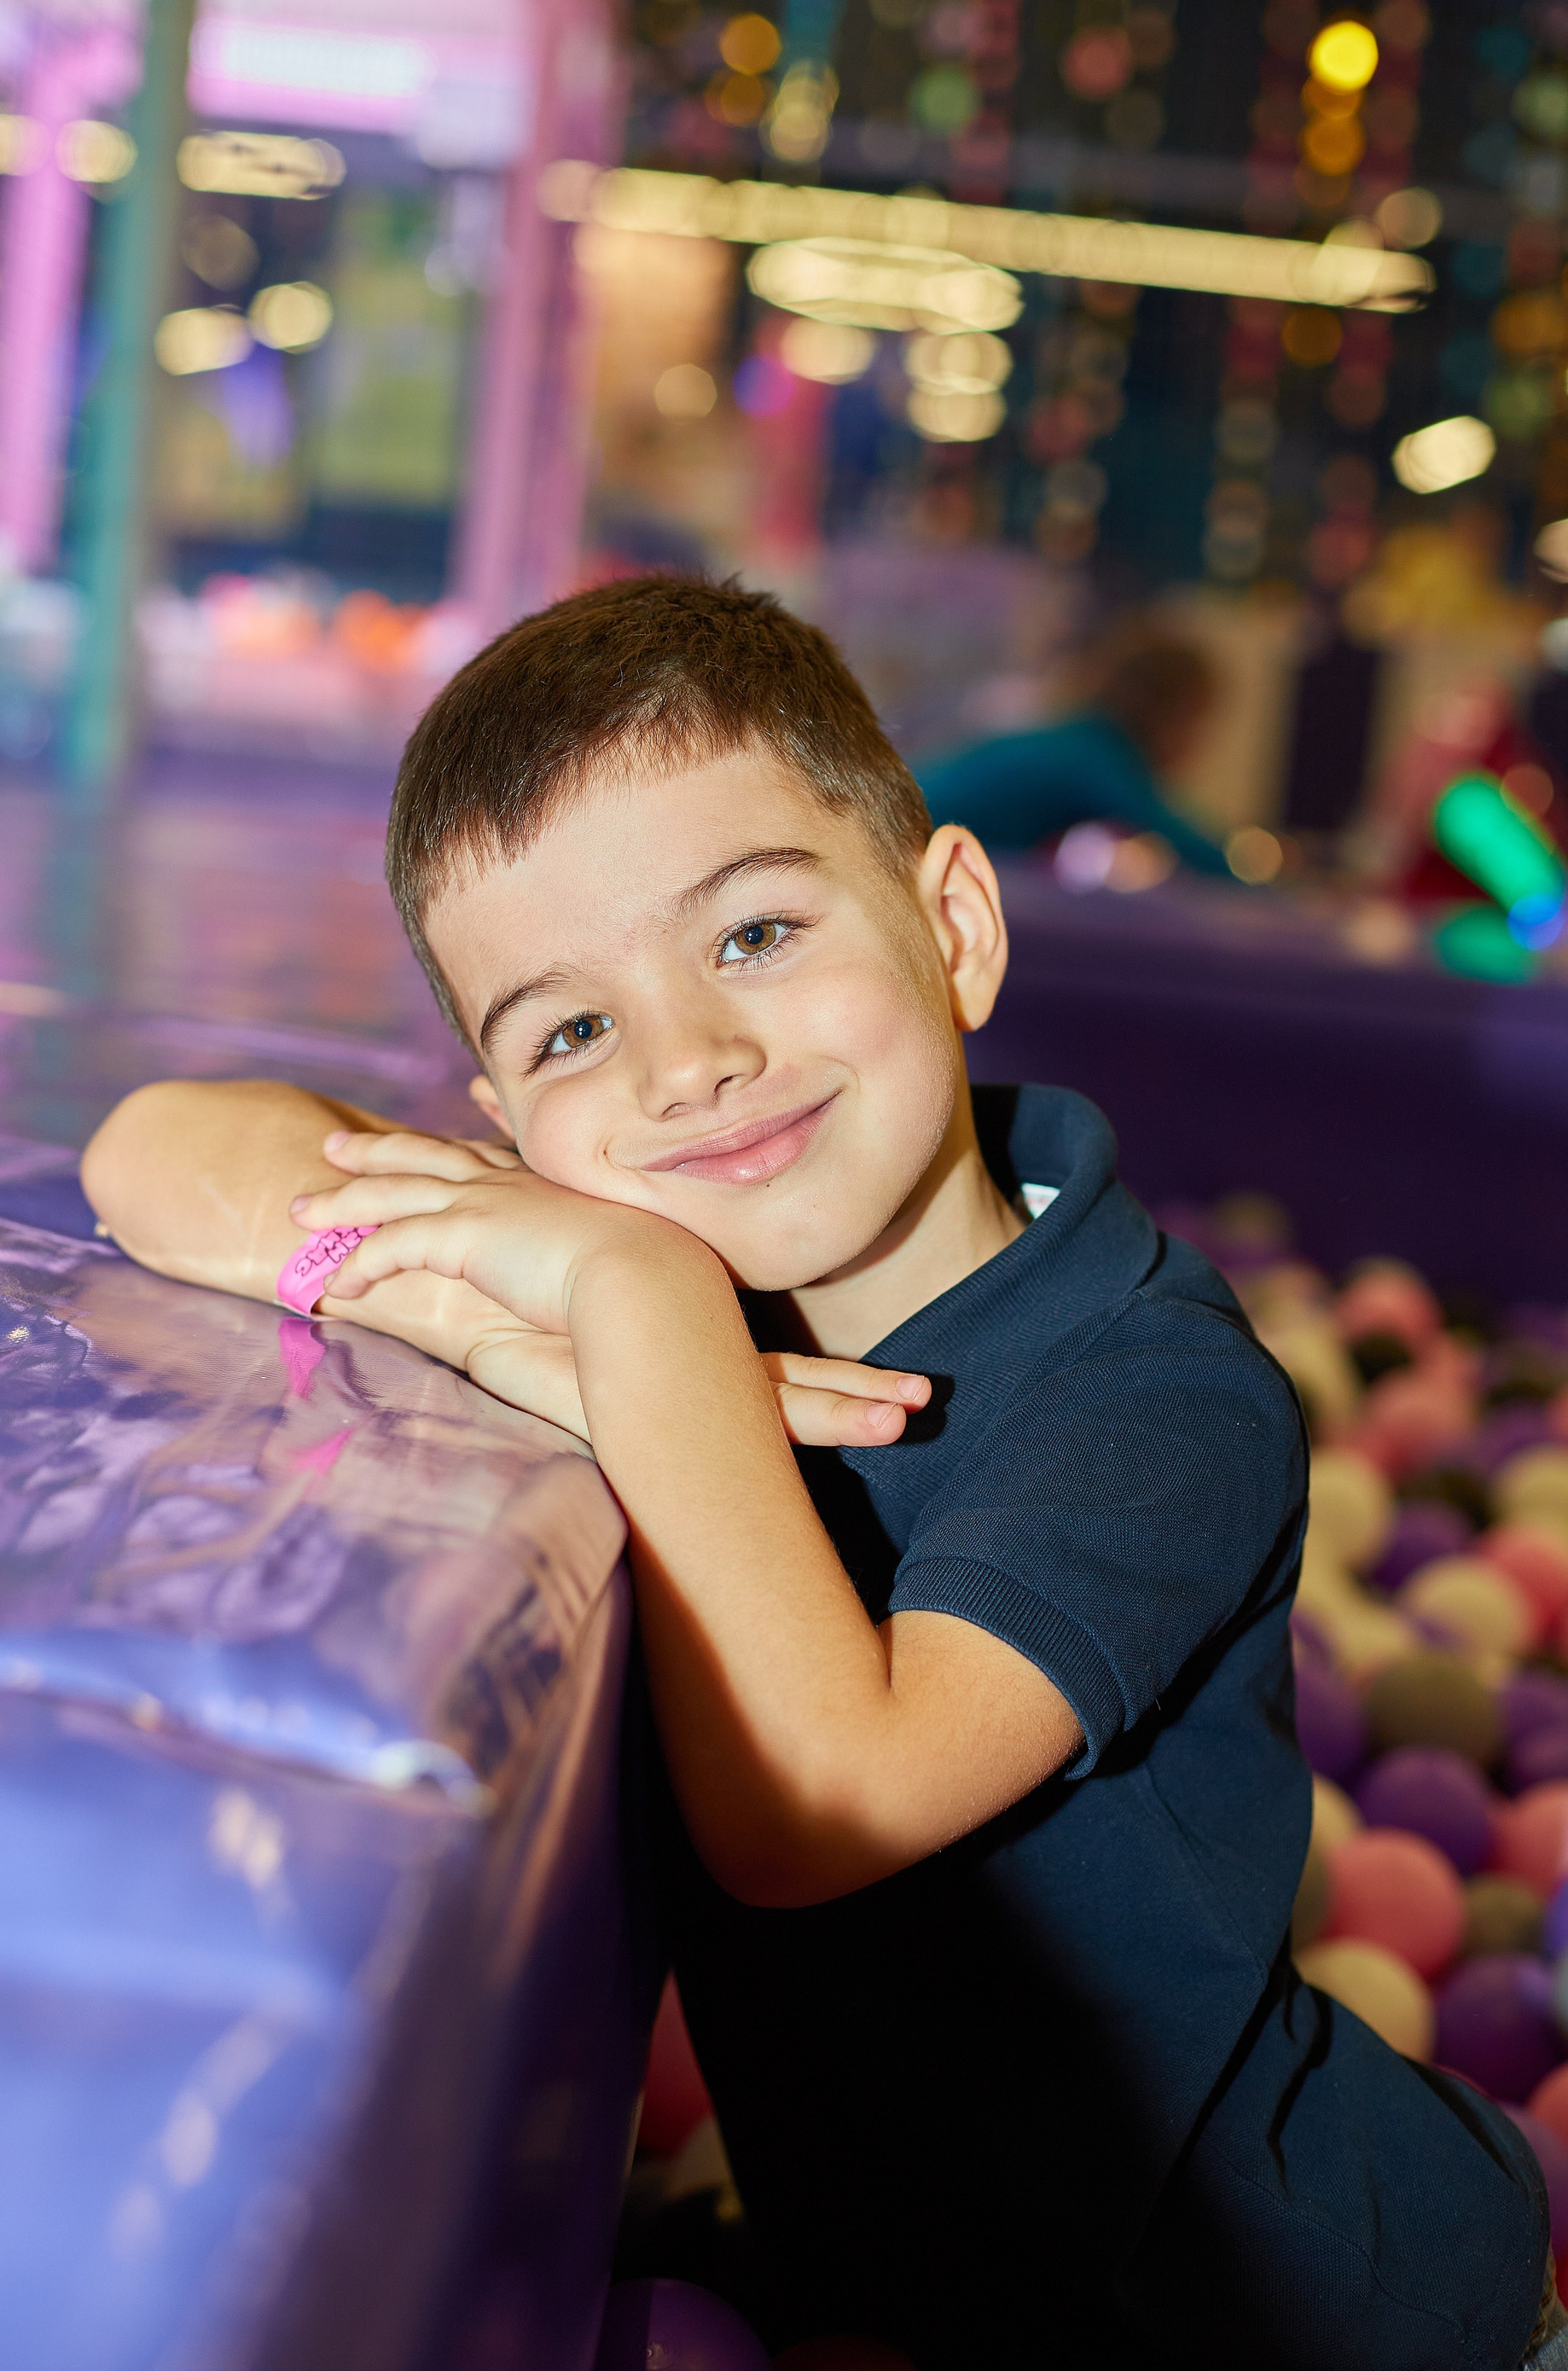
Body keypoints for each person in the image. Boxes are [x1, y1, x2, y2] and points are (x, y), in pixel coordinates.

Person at [82, 576, 1556, 2371]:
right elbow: (145, 1150)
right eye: (570, 1032)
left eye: (757, 934)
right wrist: (495, 1315)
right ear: (507, 1131)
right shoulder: (658, 1261)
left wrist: (629, 1303)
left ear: (954, 927)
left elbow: (815, 1809)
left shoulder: (1158, 1389)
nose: (691, 1065)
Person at [917, 620, 1234, 875]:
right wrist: (1247, 875)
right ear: (1171, 714)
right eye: (1196, 723)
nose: (1197, 744)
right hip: (905, 845)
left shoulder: (1077, 740)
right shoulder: (1095, 757)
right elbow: (1173, 837)